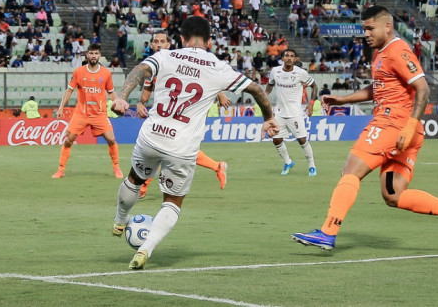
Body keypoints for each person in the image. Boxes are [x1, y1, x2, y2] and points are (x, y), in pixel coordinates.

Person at [293, 5, 438, 252]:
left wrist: (409, 126)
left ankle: (328, 231)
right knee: (393, 194)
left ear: (387, 26)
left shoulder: (398, 50)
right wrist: (343, 100)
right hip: (403, 130)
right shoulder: (380, 53)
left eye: (370, 28)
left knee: (350, 171)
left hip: (394, 124)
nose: (366, 34)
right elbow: (378, 87)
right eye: (363, 29)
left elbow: (423, 88)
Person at [110, 15, 277, 270]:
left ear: (181, 38)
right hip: (182, 146)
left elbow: (139, 70)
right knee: (172, 202)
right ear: (209, 41)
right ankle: (145, 249)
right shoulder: (219, 67)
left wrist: (122, 96)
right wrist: (268, 118)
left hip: (152, 135)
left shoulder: (166, 56)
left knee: (135, 179)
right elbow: (256, 89)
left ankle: (120, 220)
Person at [136, 31, 230, 198]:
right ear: (151, 45)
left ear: (169, 44)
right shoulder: (152, 66)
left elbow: (206, 75)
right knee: (175, 148)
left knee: (168, 147)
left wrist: (220, 94)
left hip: (188, 113)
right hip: (168, 115)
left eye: (162, 41)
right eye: (156, 41)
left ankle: (143, 187)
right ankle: (217, 166)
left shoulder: (179, 59)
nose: (159, 44)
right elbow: (147, 90)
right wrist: (140, 103)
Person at [51, 45, 122, 179]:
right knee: (68, 140)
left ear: (99, 55)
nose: (93, 56)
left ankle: (116, 168)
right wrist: (61, 108)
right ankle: (60, 170)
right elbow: (69, 91)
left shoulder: (106, 73)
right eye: (91, 53)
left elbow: (111, 92)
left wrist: (118, 103)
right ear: (87, 55)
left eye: (96, 53)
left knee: (111, 139)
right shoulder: (79, 72)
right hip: (81, 113)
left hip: (99, 114)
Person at [266, 48, 318, 176]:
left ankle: (312, 165)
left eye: (291, 56)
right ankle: (288, 162)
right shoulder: (275, 71)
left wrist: (311, 104)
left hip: (295, 113)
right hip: (279, 113)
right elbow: (270, 84)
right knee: (276, 139)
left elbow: (314, 86)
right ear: (283, 58)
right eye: (287, 55)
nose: (289, 58)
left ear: (295, 59)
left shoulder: (301, 73)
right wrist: (265, 95)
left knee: (302, 140)